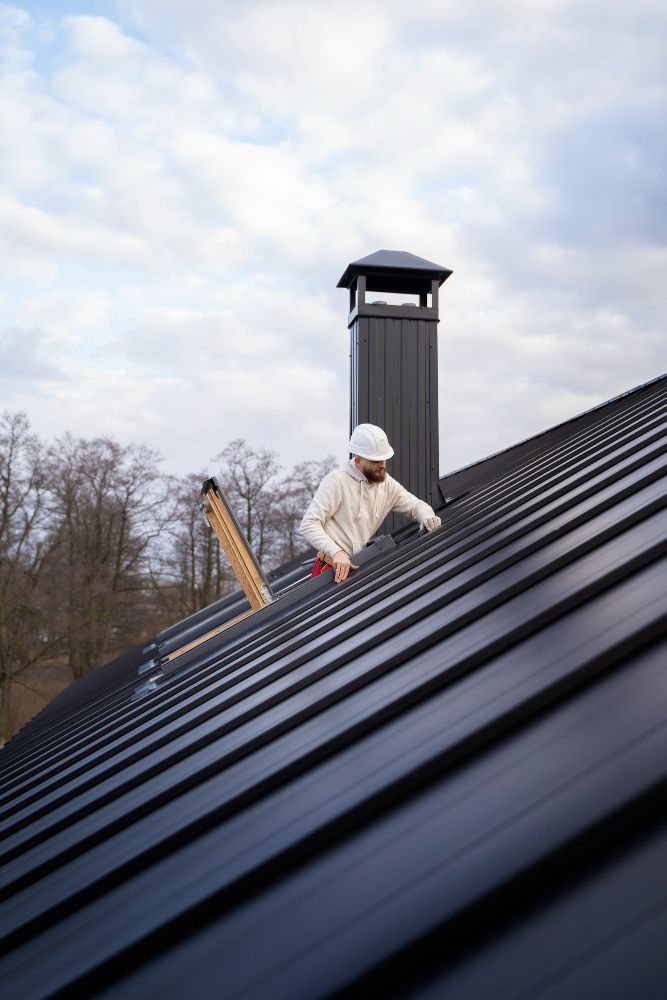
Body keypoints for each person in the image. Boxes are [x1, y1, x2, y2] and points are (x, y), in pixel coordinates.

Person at [300, 423, 442, 583]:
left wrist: (428, 516)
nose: (382, 464)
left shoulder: (387, 484)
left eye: (384, 458)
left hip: (358, 568)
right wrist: (336, 552)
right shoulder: (336, 481)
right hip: (330, 570)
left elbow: (417, 506)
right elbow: (309, 524)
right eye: (375, 460)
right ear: (359, 460)